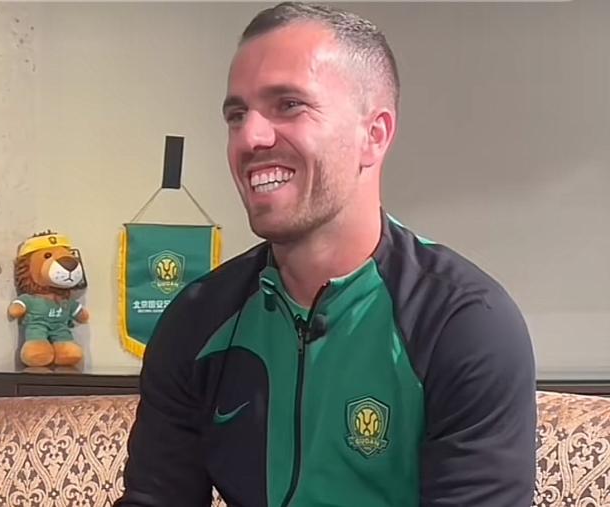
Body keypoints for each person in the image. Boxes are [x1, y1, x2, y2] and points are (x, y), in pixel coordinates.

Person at [113, 2, 537, 506]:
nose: (250, 137)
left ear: (374, 135)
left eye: (289, 104)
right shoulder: (195, 320)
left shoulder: (463, 324)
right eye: (236, 115)